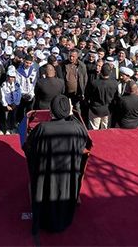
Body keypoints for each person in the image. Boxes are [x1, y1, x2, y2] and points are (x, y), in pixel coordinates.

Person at [23, 95, 91, 235]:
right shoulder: (77, 128)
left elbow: (28, 146)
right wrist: (70, 115)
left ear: (51, 109)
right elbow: (87, 143)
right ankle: (63, 221)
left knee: (46, 194)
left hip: (46, 173)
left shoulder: (42, 128)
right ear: (69, 109)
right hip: (67, 174)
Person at [86, 64, 119, 130]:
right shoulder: (114, 83)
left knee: (94, 129)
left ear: (101, 71)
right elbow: (116, 97)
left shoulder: (94, 83)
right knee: (105, 129)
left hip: (95, 110)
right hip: (107, 110)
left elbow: (87, 95)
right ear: (110, 72)